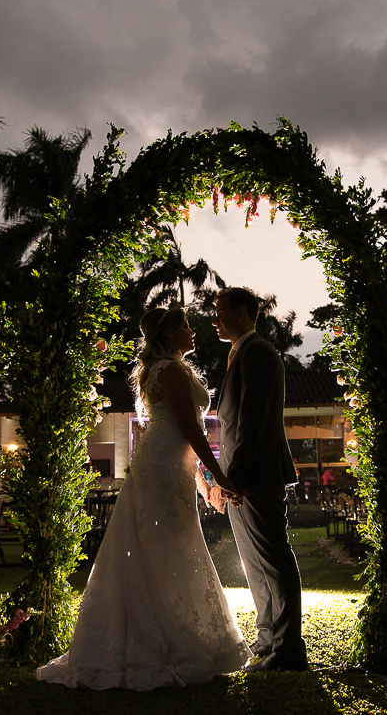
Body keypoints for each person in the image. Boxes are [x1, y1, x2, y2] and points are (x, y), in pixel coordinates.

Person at [37, 306, 250, 690]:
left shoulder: (169, 369)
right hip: (163, 467)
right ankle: (160, 644)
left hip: (171, 464)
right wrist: (219, 475)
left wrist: (205, 485)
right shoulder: (168, 370)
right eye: (185, 326)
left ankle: (175, 634)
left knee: (173, 545)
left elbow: (187, 432)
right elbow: (187, 427)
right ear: (169, 335)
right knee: (166, 546)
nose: (192, 330)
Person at [211, 286, 308, 672]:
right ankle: (268, 640)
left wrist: (234, 478)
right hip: (241, 476)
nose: (215, 318)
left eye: (220, 311)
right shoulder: (240, 354)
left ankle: (288, 649)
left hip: (257, 475)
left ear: (243, 313)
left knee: (273, 558)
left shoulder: (259, 354)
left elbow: (251, 421)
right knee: (253, 562)